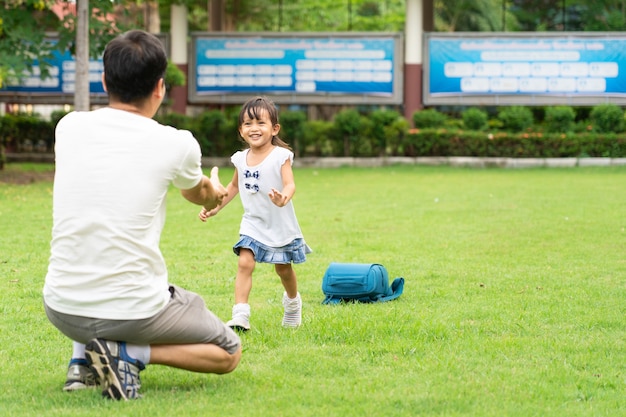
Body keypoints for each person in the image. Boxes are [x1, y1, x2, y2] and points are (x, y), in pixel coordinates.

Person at [43, 29, 242, 401]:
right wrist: (213, 194)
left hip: (62, 307)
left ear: (104, 80)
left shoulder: (68, 127)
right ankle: (128, 353)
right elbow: (197, 192)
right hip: (134, 311)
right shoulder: (176, 143)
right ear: (160, 87)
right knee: (228, 351)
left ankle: (81, 361)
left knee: (94, 238)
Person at [199, 96, 311, 332]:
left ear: (274, 128)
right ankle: (240, 314)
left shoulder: (281, 156)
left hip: (279, 223)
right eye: (248, 124)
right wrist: (216, 206)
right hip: (252, 223)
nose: (254, 128)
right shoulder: (240, 159)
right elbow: (233, 187)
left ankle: (292, 303)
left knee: (283, 269)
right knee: (244, 262)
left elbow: (290, 184)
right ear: (241, 130)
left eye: (261, 123)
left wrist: (283, 197)